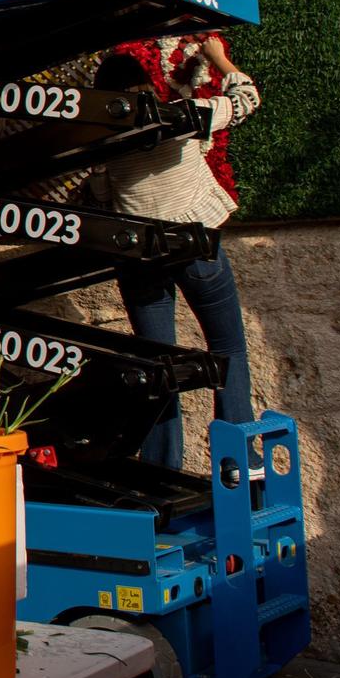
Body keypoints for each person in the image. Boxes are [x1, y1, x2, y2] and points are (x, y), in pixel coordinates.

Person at [90, 54, 263, 469]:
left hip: (138, 257)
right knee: (227, 348)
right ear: (147, 85)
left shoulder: (102, 139)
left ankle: (160, 468)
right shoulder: (185, 116)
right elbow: (246, 98)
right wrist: (218, 57)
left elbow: (99, 195)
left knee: (158, 363)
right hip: (194, 244)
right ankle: (237, 461)